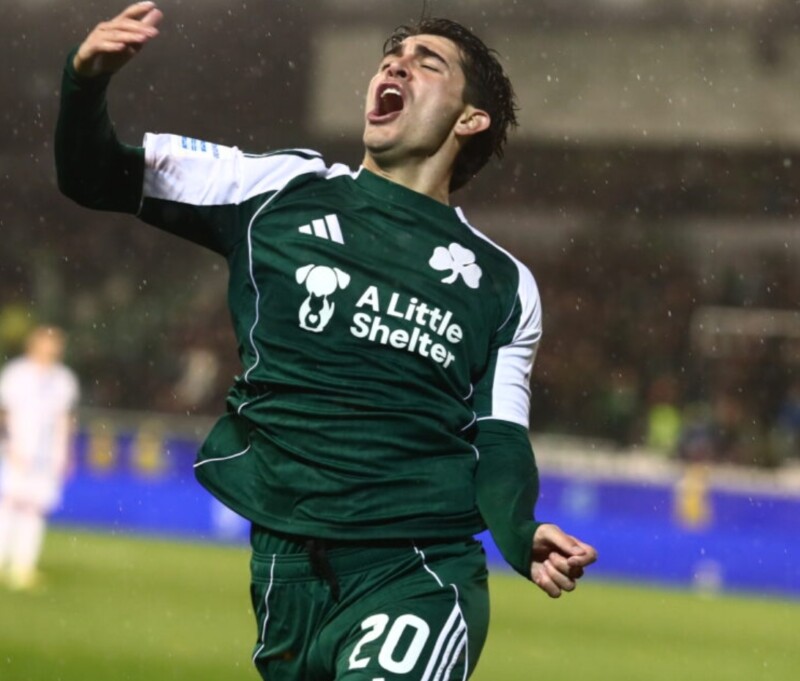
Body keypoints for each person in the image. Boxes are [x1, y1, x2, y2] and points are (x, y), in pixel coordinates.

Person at [55, 3, 597, 678]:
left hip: (416, 569)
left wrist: (519, 530)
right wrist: (84, 82)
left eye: (427, 63)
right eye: (391, 58)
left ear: (469, 119)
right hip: (283, 569)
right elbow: (94, 175)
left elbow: (499, 434)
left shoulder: (503, 283)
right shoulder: (276, 190)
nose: (396, 65)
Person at [0, 325, 79, 590]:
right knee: (7, 504)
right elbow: (4, 412)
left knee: (35, 509)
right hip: (16, 450)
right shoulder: (16, 374)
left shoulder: (64, 379)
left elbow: (66, 417)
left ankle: (23, 566)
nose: (51, 347)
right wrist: (8, 444)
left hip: (48, 455)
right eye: (47, 342)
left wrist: (67, 452)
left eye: (55, 343)